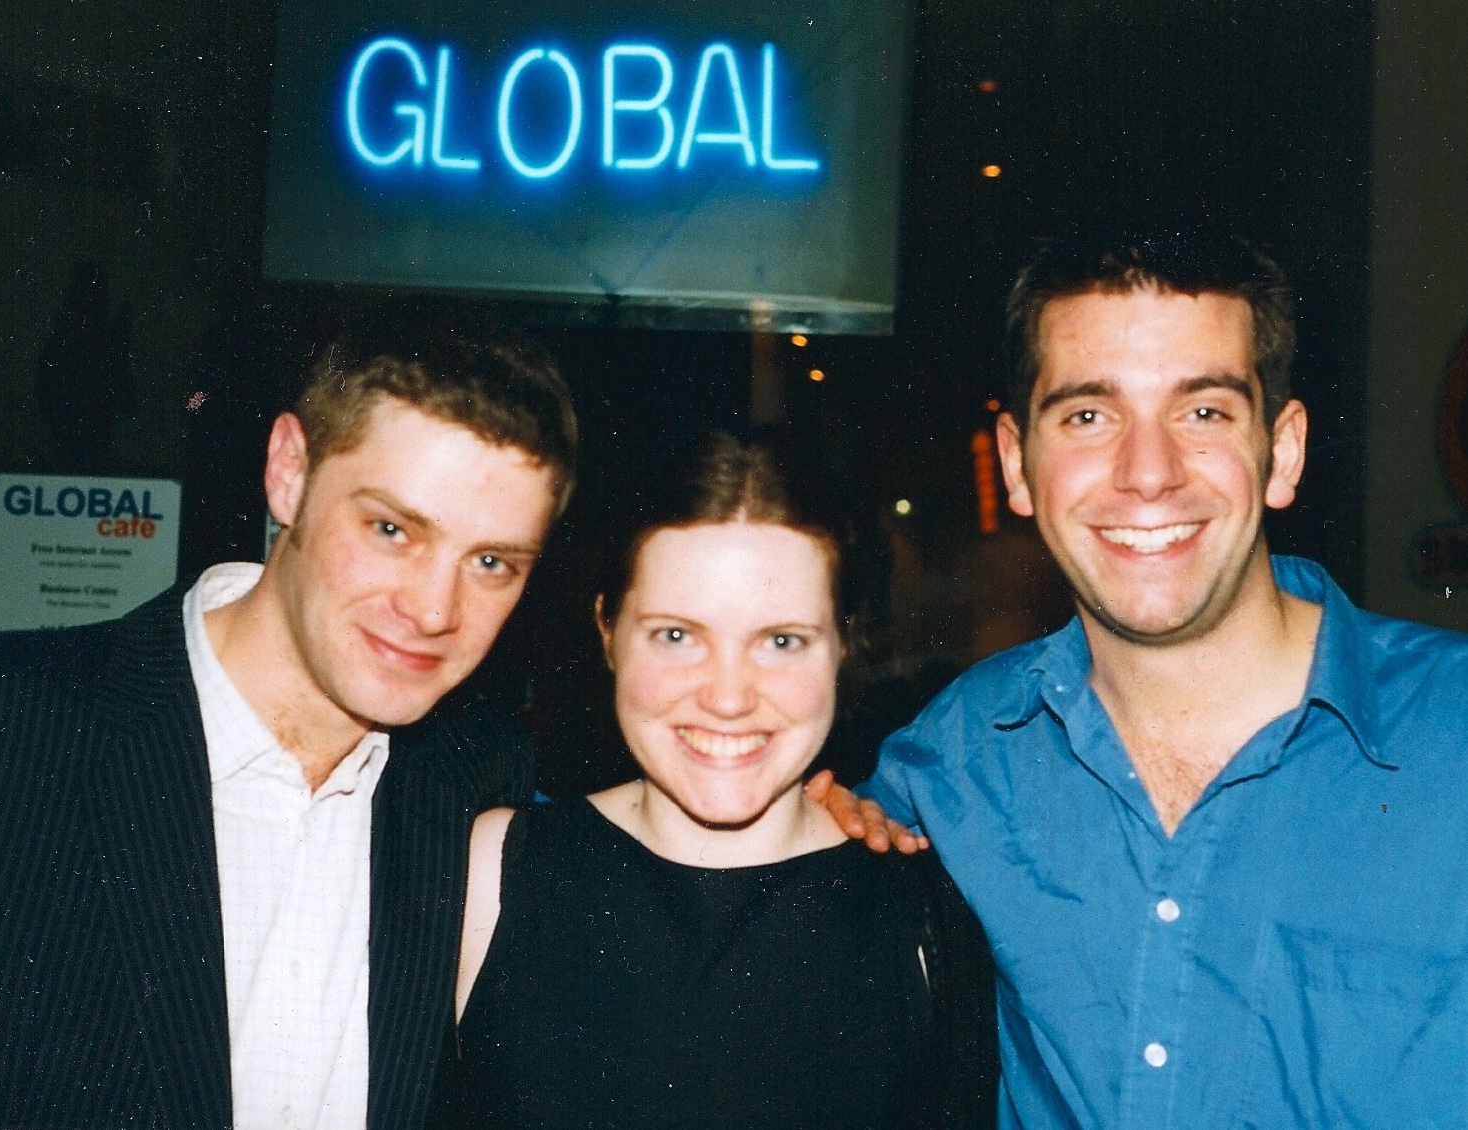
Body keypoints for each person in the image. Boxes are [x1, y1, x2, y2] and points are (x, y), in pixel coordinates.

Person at [815, 223, 1468, 1128]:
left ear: (1282, 450)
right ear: (1017, 463)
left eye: (1203, 411)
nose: (1148, 473)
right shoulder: (955, 756)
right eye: (1089, 414)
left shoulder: (1455, 736)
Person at [0, 325, 577, 1130]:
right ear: (289, 472)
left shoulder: (477, 780)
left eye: (491, 562)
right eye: (392, 529)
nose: (434, 610)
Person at [451, 432, 997, 1128]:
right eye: (677, 635)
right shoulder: (493, 872)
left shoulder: (928, 915)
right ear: (608, 630)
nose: (729, 696)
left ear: (842, 647)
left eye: (781, 641)